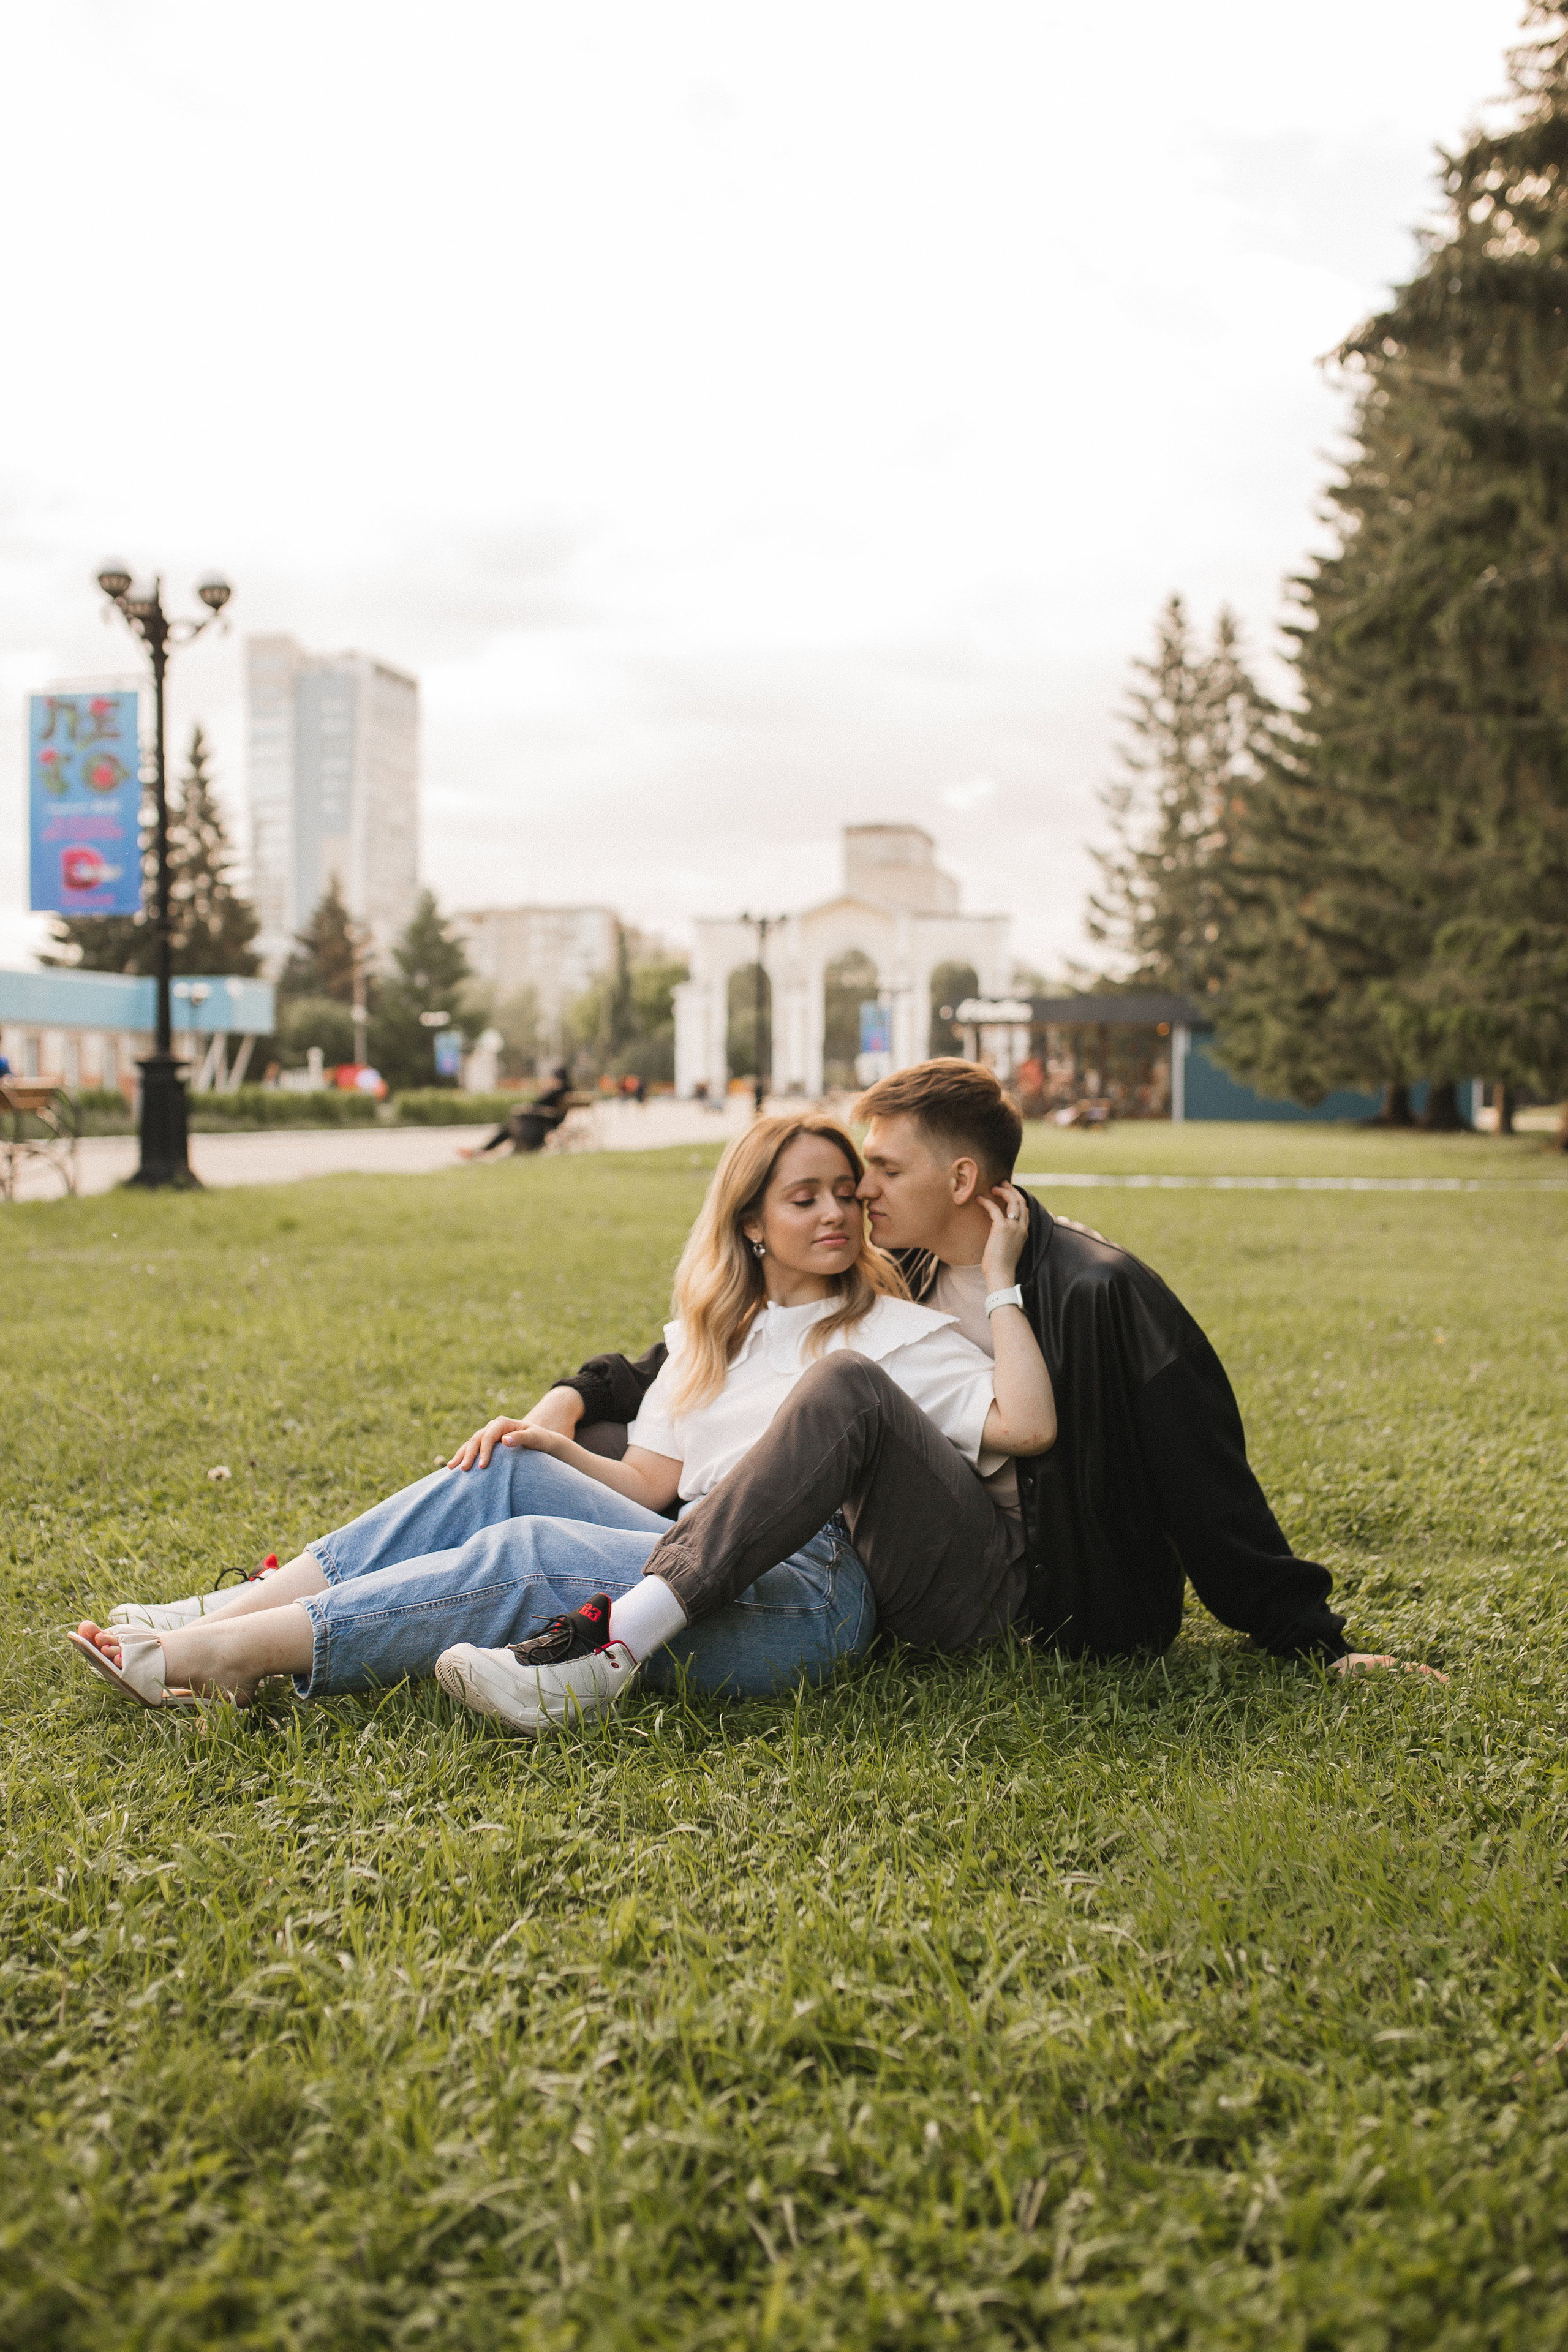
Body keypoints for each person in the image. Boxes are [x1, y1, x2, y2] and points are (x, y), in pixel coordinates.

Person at [496, 1058, 1438, 1717]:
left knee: (843, 1387)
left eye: (884, 1170)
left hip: (1040, 1598)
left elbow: (1204, 1474)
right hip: (907, 1548)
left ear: (960, 1176)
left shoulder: (1099, 1293)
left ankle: (622, 1636)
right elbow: (726, 1346)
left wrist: (1310, 1638)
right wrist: (577, 1395)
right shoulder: (903, 1256)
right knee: (624, 1447)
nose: (859, 1192)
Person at [66, 1112, 1052, 1722]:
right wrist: (548, 1440)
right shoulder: (714, 1335)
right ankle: (225, 1612)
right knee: (501, 1473)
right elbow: (654, 1489)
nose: (838, 1212)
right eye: (806, 1198)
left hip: (806, 1598)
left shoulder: (892, 1332)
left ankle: (220, 1658)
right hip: (688, 1541)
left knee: (530, 1550)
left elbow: (1024, 1425)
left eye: (847, 1193)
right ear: (752, 1222)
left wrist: (1002, 1286)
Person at [458, 1065, 571, 1159]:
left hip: (541, 1120)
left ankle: (481, 1151)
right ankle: (481, 1151)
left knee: (510, 1127)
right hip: (542, 1119)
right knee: (509, 1127)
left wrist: (528, 1108)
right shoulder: (565, 1091)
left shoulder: (557, 1092)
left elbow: (539, 1104)